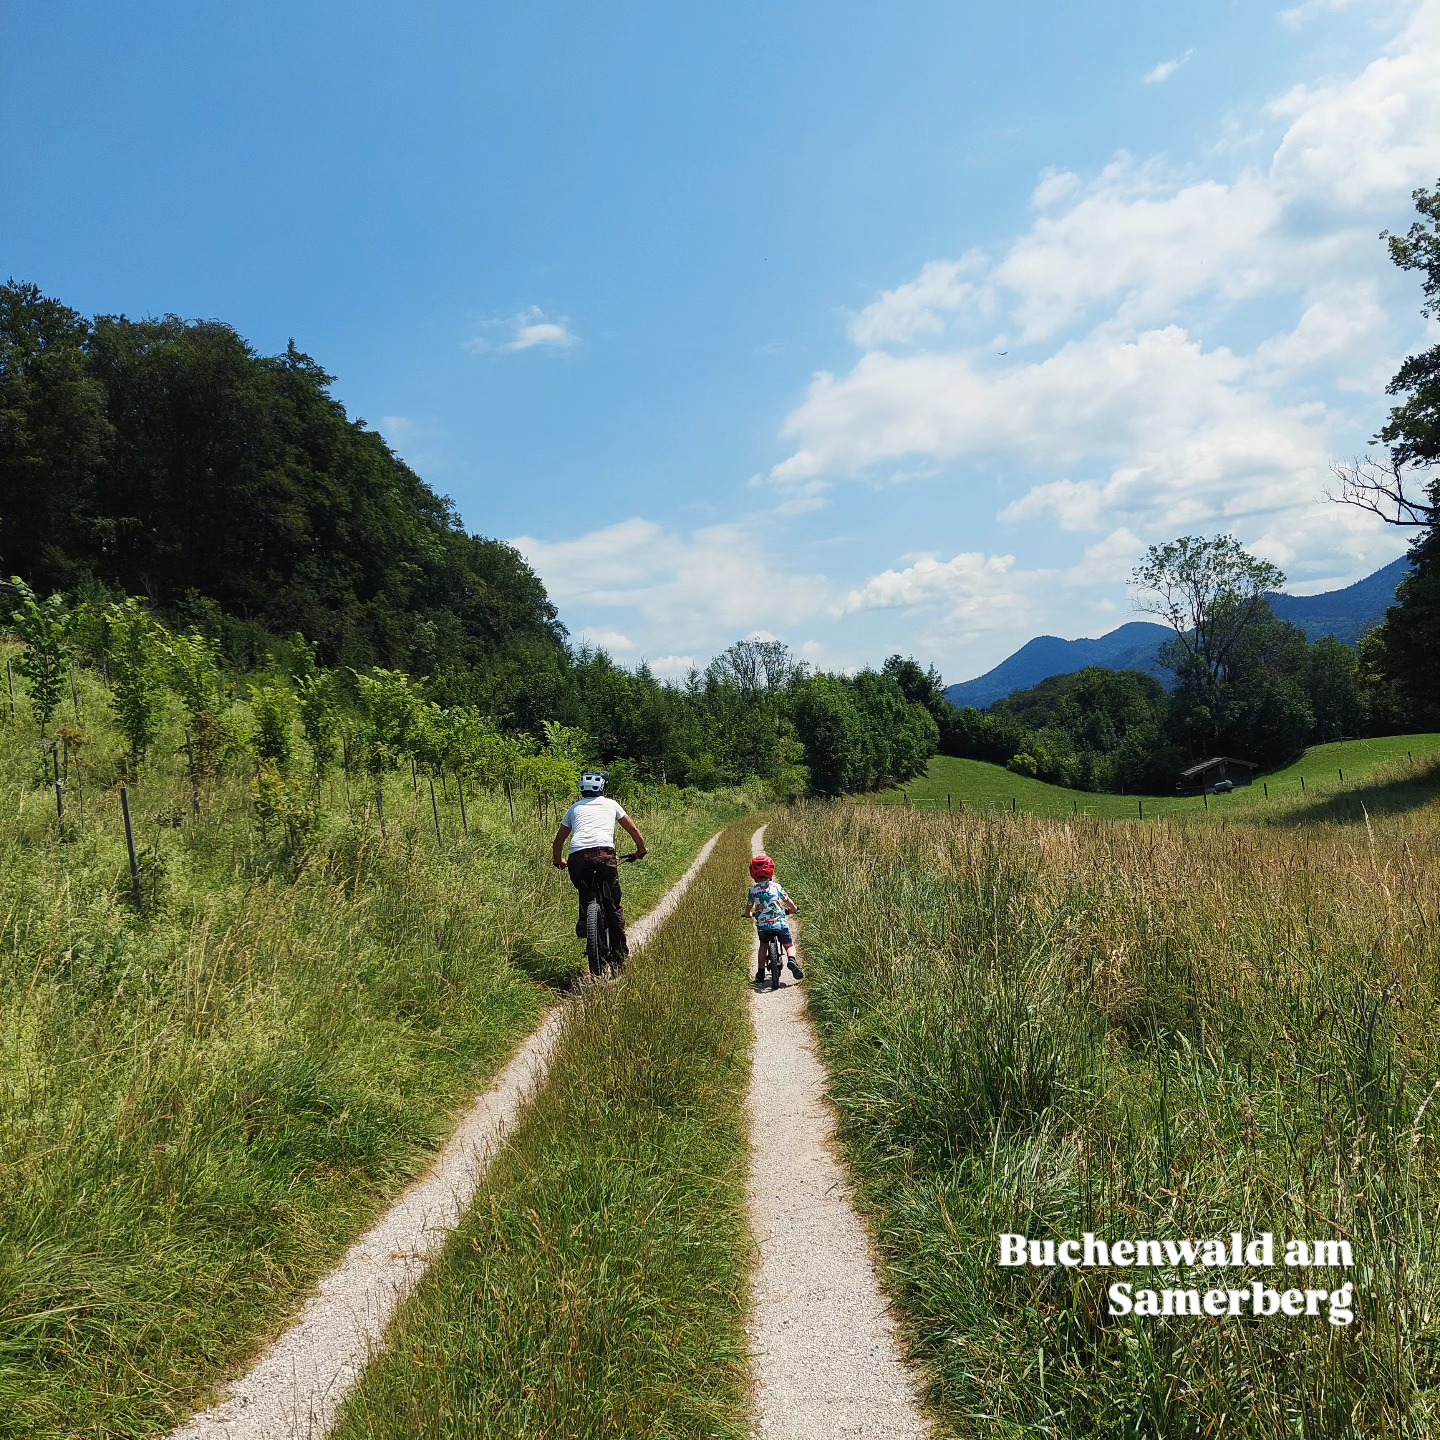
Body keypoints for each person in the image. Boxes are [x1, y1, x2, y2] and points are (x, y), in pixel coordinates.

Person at [551, 771, 647, 961]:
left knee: (585, 890)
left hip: (577, 858)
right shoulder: (611, 804)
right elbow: (633, 829)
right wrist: (641, 849)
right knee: (613, 905)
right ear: (603, 789)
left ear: (581, 790)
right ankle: (619, 957)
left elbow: (559, 840)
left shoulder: (574, 809)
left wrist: (558, 860)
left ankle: (584, 922)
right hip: (604, 856)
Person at [744, 853, 803, 986]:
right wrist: (793, 909)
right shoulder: (777, 887)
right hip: (780, 923)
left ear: (752, 874)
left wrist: (748, 914)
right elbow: (787, 901)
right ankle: (792, 959)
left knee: (763, 946)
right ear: (771, 871)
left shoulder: (752, 890)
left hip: (763, 926)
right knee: (789, 945)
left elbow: (749, 905)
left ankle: (760, 973)